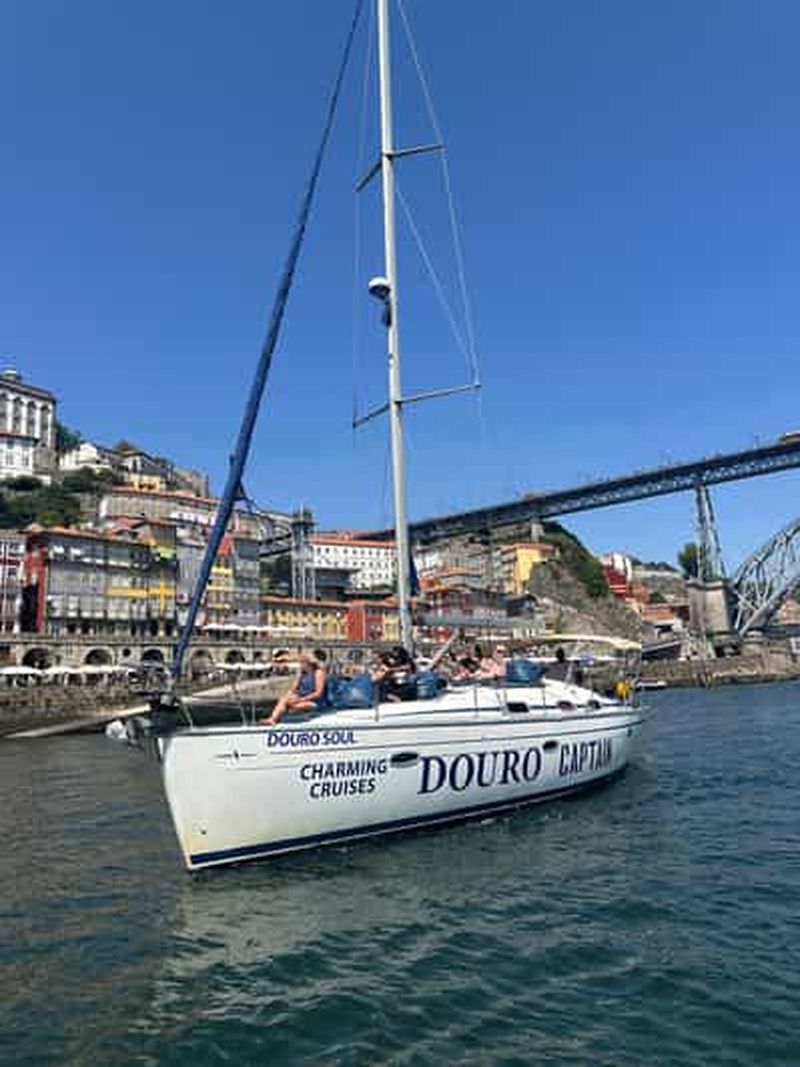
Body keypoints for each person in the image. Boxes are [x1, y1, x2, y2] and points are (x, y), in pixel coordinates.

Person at [262, 650, 327, 725]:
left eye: (303, 663)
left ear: (309, 663)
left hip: (315, 701)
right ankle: (272, 719)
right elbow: (293, 689)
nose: (301, 665)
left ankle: (277, 718)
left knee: (292, 704)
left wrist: (300, 699)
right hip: (301, 698)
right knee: (284, 699)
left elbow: (318, 693)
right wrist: (291, 694)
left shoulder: (318, 673)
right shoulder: (302, 674)